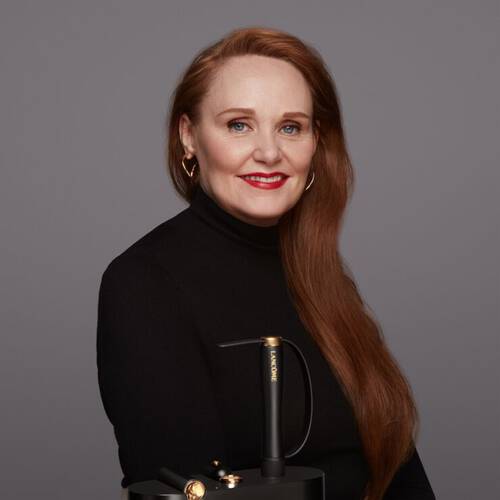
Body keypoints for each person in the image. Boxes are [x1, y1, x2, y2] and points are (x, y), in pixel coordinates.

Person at [96, 26, 436, 500]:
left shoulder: (321, 275)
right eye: (239, 124)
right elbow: (191, 490)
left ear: (316, 142)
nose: (270, 153)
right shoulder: (143, 284)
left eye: (290, 127)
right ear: (189, 136)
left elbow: (397, 469)